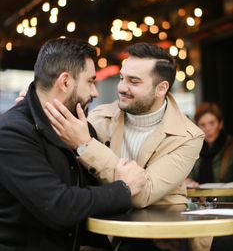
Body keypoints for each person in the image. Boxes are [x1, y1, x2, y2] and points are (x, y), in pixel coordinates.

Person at [44, 42, 211, 251]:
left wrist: (85, 145)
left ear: (161, 88)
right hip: (102, 230)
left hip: (160, 236)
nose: (122, 87)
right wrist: (38, 110)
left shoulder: (189, 136)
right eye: (122, 78)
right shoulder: (99, 117)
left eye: (134, 81)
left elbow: (143, 192)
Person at [0, 38, 147, 251]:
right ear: (65, 82)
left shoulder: (81, 130)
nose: (95, 92)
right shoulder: (11, 132)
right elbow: (59, 206)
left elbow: (95, 197)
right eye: (90, 81)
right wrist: (123, 189)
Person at [186, 102, 233, 188]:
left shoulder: (230, 147)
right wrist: (189, 182)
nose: (207, 128)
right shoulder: (195, 149)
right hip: (200, 200)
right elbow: (189, 176)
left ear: (220, 124)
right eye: (202, 125)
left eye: (212, 123)